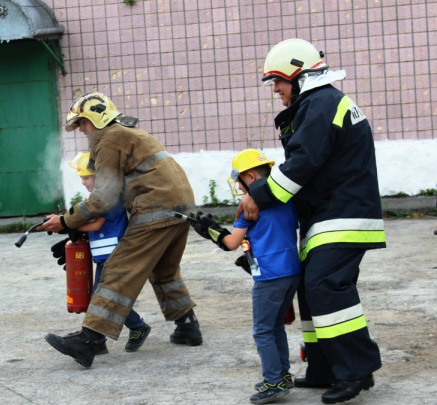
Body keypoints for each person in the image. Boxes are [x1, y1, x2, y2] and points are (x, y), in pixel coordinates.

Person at [237, 38, 385, 404]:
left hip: (343, 214)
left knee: (325, 286)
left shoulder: (319, 105)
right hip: (332, 212)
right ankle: (323, 368)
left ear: (298, 75)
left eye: (278, 81)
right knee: (310, 288)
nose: (275, 90)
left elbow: (302, 164)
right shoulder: (321, 103)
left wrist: (258, 195)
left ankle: (355, 371)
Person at [38, 92, 202, 368]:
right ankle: (187, 326)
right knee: (164, 270)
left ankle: (89, 340)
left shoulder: (110, 138)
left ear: (95, 119)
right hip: (181, 206)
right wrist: (76, 227)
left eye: (82, 124)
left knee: (118, 270)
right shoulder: (128, 132)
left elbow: (104, 198)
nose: (81, 131)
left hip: (155, 207)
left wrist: (66, 221)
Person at [191, 149, 300, 404]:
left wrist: (210, 230)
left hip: (270, 278)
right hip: (291, 272)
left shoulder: (250, 207)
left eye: (240, 179)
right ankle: (282, 374)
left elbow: (231, 243)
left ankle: (273, 381)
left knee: (262, 331)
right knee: (275, 326)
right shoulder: (286, 200)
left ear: (249, 177)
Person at [64, 152, 151, 352]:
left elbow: (96, 225)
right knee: (102, 297)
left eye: (86, 177)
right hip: (103, 256)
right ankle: (99, 340)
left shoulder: (110, 198)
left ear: (99, 176)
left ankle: (137, 327)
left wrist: (71, 227)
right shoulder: (98, 198)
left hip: (114, 255)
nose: (83, 182)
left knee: (103, 297)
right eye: (81, 178)